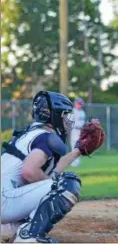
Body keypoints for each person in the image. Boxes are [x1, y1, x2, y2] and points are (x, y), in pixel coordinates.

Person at [1, 91, 104, 242]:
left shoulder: (30, 133)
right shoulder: (46, 136)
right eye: (64, 115)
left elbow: (49, 171)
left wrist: (77, 151)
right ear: (54, 116)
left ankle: (14, 231)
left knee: (55, 184)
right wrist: (52, 183)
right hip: (5, 202)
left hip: (6, 198)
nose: (67, 121)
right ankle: (29, 236)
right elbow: (29, 172)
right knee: (67, 183)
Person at [70, 98, 86, 167]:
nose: (79, 105)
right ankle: (74, 162)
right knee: (74, 146)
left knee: (79, 147)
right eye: (78, 103)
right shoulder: (73, 111)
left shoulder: (82, 112)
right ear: (75, 103)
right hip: (74, 130)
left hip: (81, 131)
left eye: (80, 104)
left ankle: (77, 162)